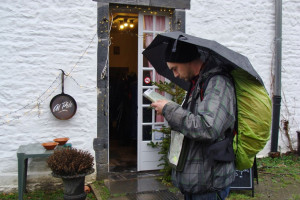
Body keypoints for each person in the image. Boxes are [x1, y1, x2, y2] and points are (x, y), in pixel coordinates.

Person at [151, 41, 236, 200]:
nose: (175, 75)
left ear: (187, 59)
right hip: (196, 181)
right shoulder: (198, 83)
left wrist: (169, 109)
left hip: (208, 185)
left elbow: (207, 128)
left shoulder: (218, 83)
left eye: (175, 68)